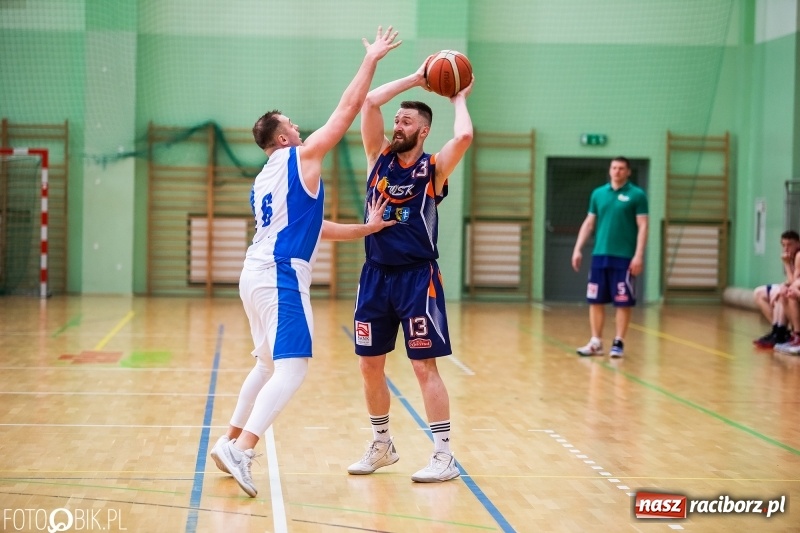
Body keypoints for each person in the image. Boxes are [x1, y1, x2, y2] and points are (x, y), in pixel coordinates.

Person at [209, 26, 401, 498]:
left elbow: (312, 228)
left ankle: (229, 438)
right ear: (283, 135)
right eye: (292, 123)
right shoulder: (303, 155)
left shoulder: (262, 179)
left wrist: (365, 230)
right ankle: (243, 449)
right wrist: (372, 59)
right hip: (280, 275)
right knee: (293, 369)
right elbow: (349, 107)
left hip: (254, 274)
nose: (299, 127)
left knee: (266, 366)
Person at [346, 58, 474, 483]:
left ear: (422, 131)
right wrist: (419, 77)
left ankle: (443, 454)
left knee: (423, 367)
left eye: (405, 122)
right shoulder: (377, 155)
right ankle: (382, 444)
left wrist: (457, 99)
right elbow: (368, 102)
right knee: (369, 365)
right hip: (375, 276)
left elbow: (466, 135)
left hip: (418, 279)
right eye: (396, 120)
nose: (396, 125)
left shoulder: (433, 167)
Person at [571, 156, 648, 358]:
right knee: (595, 300)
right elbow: (589, 223)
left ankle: (618, 342)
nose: (617, 171)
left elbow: (643, 226)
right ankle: (596, 342)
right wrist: (578, 248)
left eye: (621, 168)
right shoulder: (598, 194)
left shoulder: (637, 195)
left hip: (624, 257)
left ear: (628, 172)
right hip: (600, 255)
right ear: (610, 170)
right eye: (614, 168)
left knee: (623, 301)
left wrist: (638, 255)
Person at [753, 230, 800, 349]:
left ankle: (782, 333)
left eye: (789, 245)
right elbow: (791, 281)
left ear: (798, 244)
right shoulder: (790, 256)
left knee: (784, 294)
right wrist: (784, 285)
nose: (786, 248)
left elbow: (794, 281)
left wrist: (786, 264)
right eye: (783, 245)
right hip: (793, 286)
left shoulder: (798, 255)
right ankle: (777, 330)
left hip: (795, 289)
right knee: (759, 293)